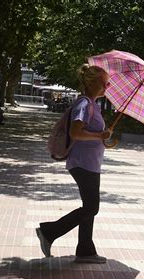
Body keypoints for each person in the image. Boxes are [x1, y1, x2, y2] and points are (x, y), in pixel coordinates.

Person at [36, 64, 112, 264]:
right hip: (82, 163)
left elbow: (88, 133)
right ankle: (49, 231)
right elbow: (75, 133)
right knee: (91, 208)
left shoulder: (92, 105)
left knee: (89, 206)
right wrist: (99, 135)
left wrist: (102, 137)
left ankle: (85, 250)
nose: (107, 86)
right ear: (91, 82)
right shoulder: (84, 104)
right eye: (104, 82)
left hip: (90, 163)